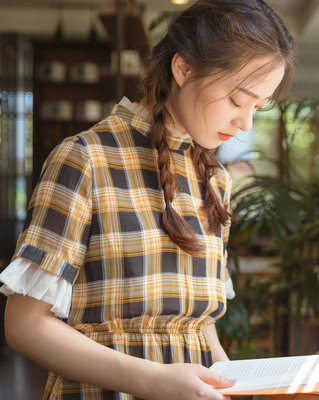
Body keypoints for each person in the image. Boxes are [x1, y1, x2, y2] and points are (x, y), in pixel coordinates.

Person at [0, 0, 295, 398]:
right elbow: (24, 326)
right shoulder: (86, 158)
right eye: (237, 100)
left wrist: (229, 382)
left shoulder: (214, 179)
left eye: (259, 107)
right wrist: (152, 380)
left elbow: (196, 321)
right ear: (184, 68)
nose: (246, 124)